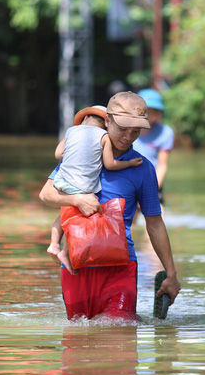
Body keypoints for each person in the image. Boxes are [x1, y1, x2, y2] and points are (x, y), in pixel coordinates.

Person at [39, 91, 181, 321]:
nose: (128, 137)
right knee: (78, 341)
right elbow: (46, 195)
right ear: (107, 121)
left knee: (120, 329)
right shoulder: (78, 157)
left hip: (121, 268)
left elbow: (154, 223)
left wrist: (171, 274)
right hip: (76, 265)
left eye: (135, 132)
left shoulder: (143, 169)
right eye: (122, 129)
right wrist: (76, 200)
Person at [46, 105, 143, 275]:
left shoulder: (71, 131)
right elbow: (109, 164)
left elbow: (58, 154)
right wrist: (129, 163)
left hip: (62, 179)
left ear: (84, 119)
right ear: (107, 124)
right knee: (82, 212)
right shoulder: (103, 137)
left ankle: (54, 244)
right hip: (81, 184)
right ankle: (65, 252)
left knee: (66, 212)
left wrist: (76, 153)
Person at [132, 88, 174, 205]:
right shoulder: (127, 130)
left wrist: (151, 191)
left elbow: (162, 165)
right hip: (129, 179)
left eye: (155, 111)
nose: (153, 114)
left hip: (153, 181)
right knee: (129, 218)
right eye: (148, 110)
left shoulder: (165, 132)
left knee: (157, 215)